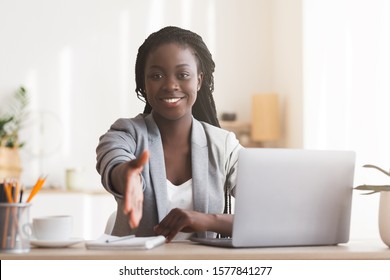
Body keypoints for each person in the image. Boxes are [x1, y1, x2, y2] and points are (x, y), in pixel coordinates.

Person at [96, 26, 242, 242]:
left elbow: (262, 216)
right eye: (156, 75)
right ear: (144, 83)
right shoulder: (125, 133)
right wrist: (128, 177)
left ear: (199, 80)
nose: (170, 85)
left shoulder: (224, 145)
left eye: (183, 75)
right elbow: (113, 159)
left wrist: (206, 220)